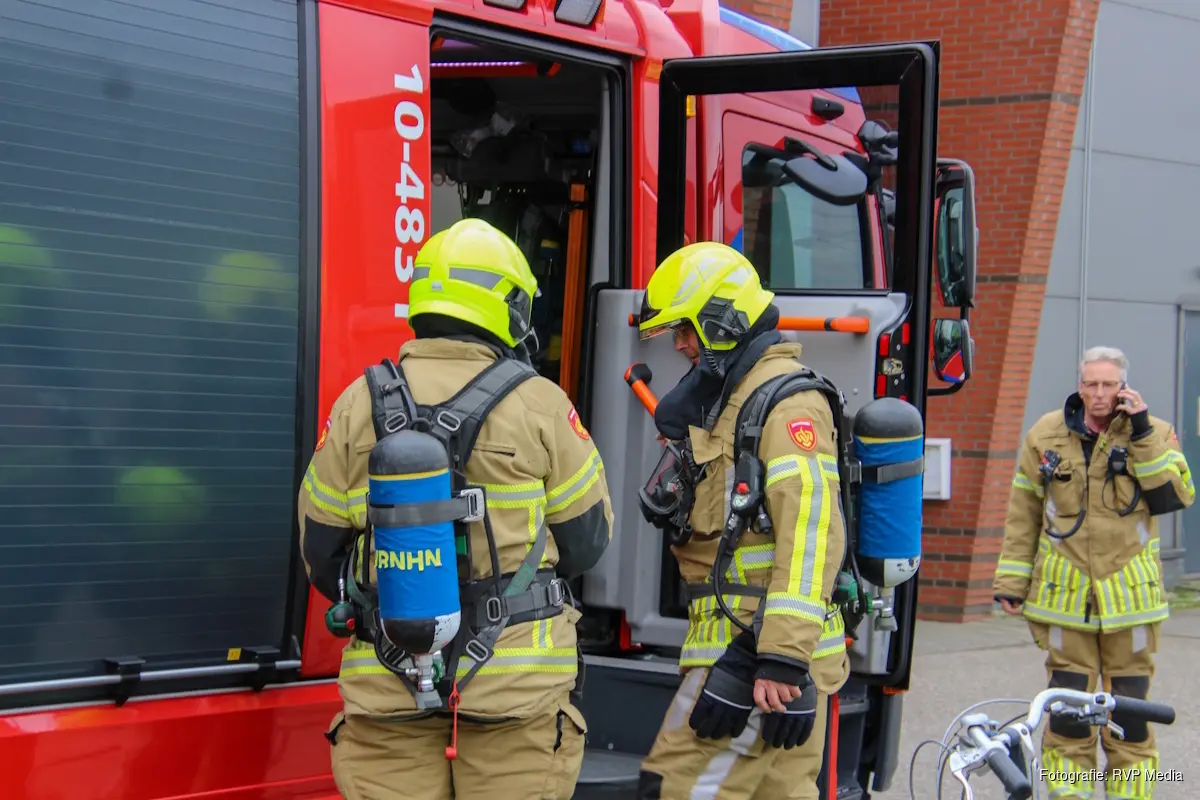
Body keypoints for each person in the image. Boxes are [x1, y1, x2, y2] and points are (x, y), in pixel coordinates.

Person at [296, 218, 614, 800]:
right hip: (515, 692)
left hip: (386, 687)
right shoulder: (540, 403)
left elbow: (320, 550)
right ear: (508, 306)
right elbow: (588, 539)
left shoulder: (357, 403)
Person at [633, 241, 850, 799]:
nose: (679, 344)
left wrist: (775, 658)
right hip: (761, 656)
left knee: (671, 788)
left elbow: (812, 533)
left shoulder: (786, 404)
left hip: (752, 660)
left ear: (721, 321)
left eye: (686, 329)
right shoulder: (734, 399)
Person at [993, 346, 1193, 800]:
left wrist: (1142, 432)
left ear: (1123, 388)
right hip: (1065, 602)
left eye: (1108, 385)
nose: (1099, 393)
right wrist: (1012, 582)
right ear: (1079, 386)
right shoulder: (1045, 435)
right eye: (1091, 384)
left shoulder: (1155, 433)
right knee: (1068, 717)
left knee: (1130, 719)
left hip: (1131, 603)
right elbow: (1023, 513)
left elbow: (1175, 497)